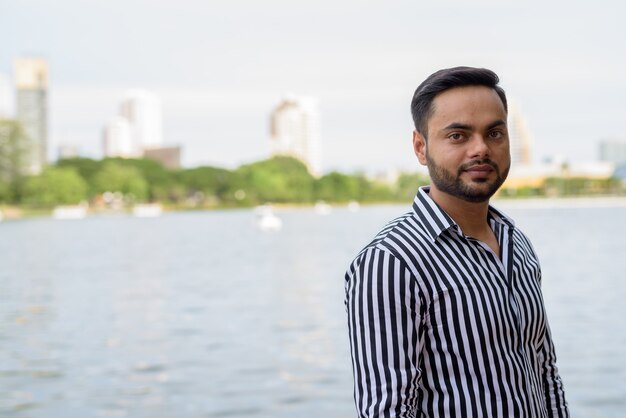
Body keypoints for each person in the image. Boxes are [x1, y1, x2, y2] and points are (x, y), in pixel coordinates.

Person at [344, 66, 569, 418]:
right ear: (421, 147)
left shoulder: (515, 243)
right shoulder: (391, 262)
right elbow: (388, 411)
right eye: (458, 136)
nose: (481, 149)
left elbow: (545, 373)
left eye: (495, 133)